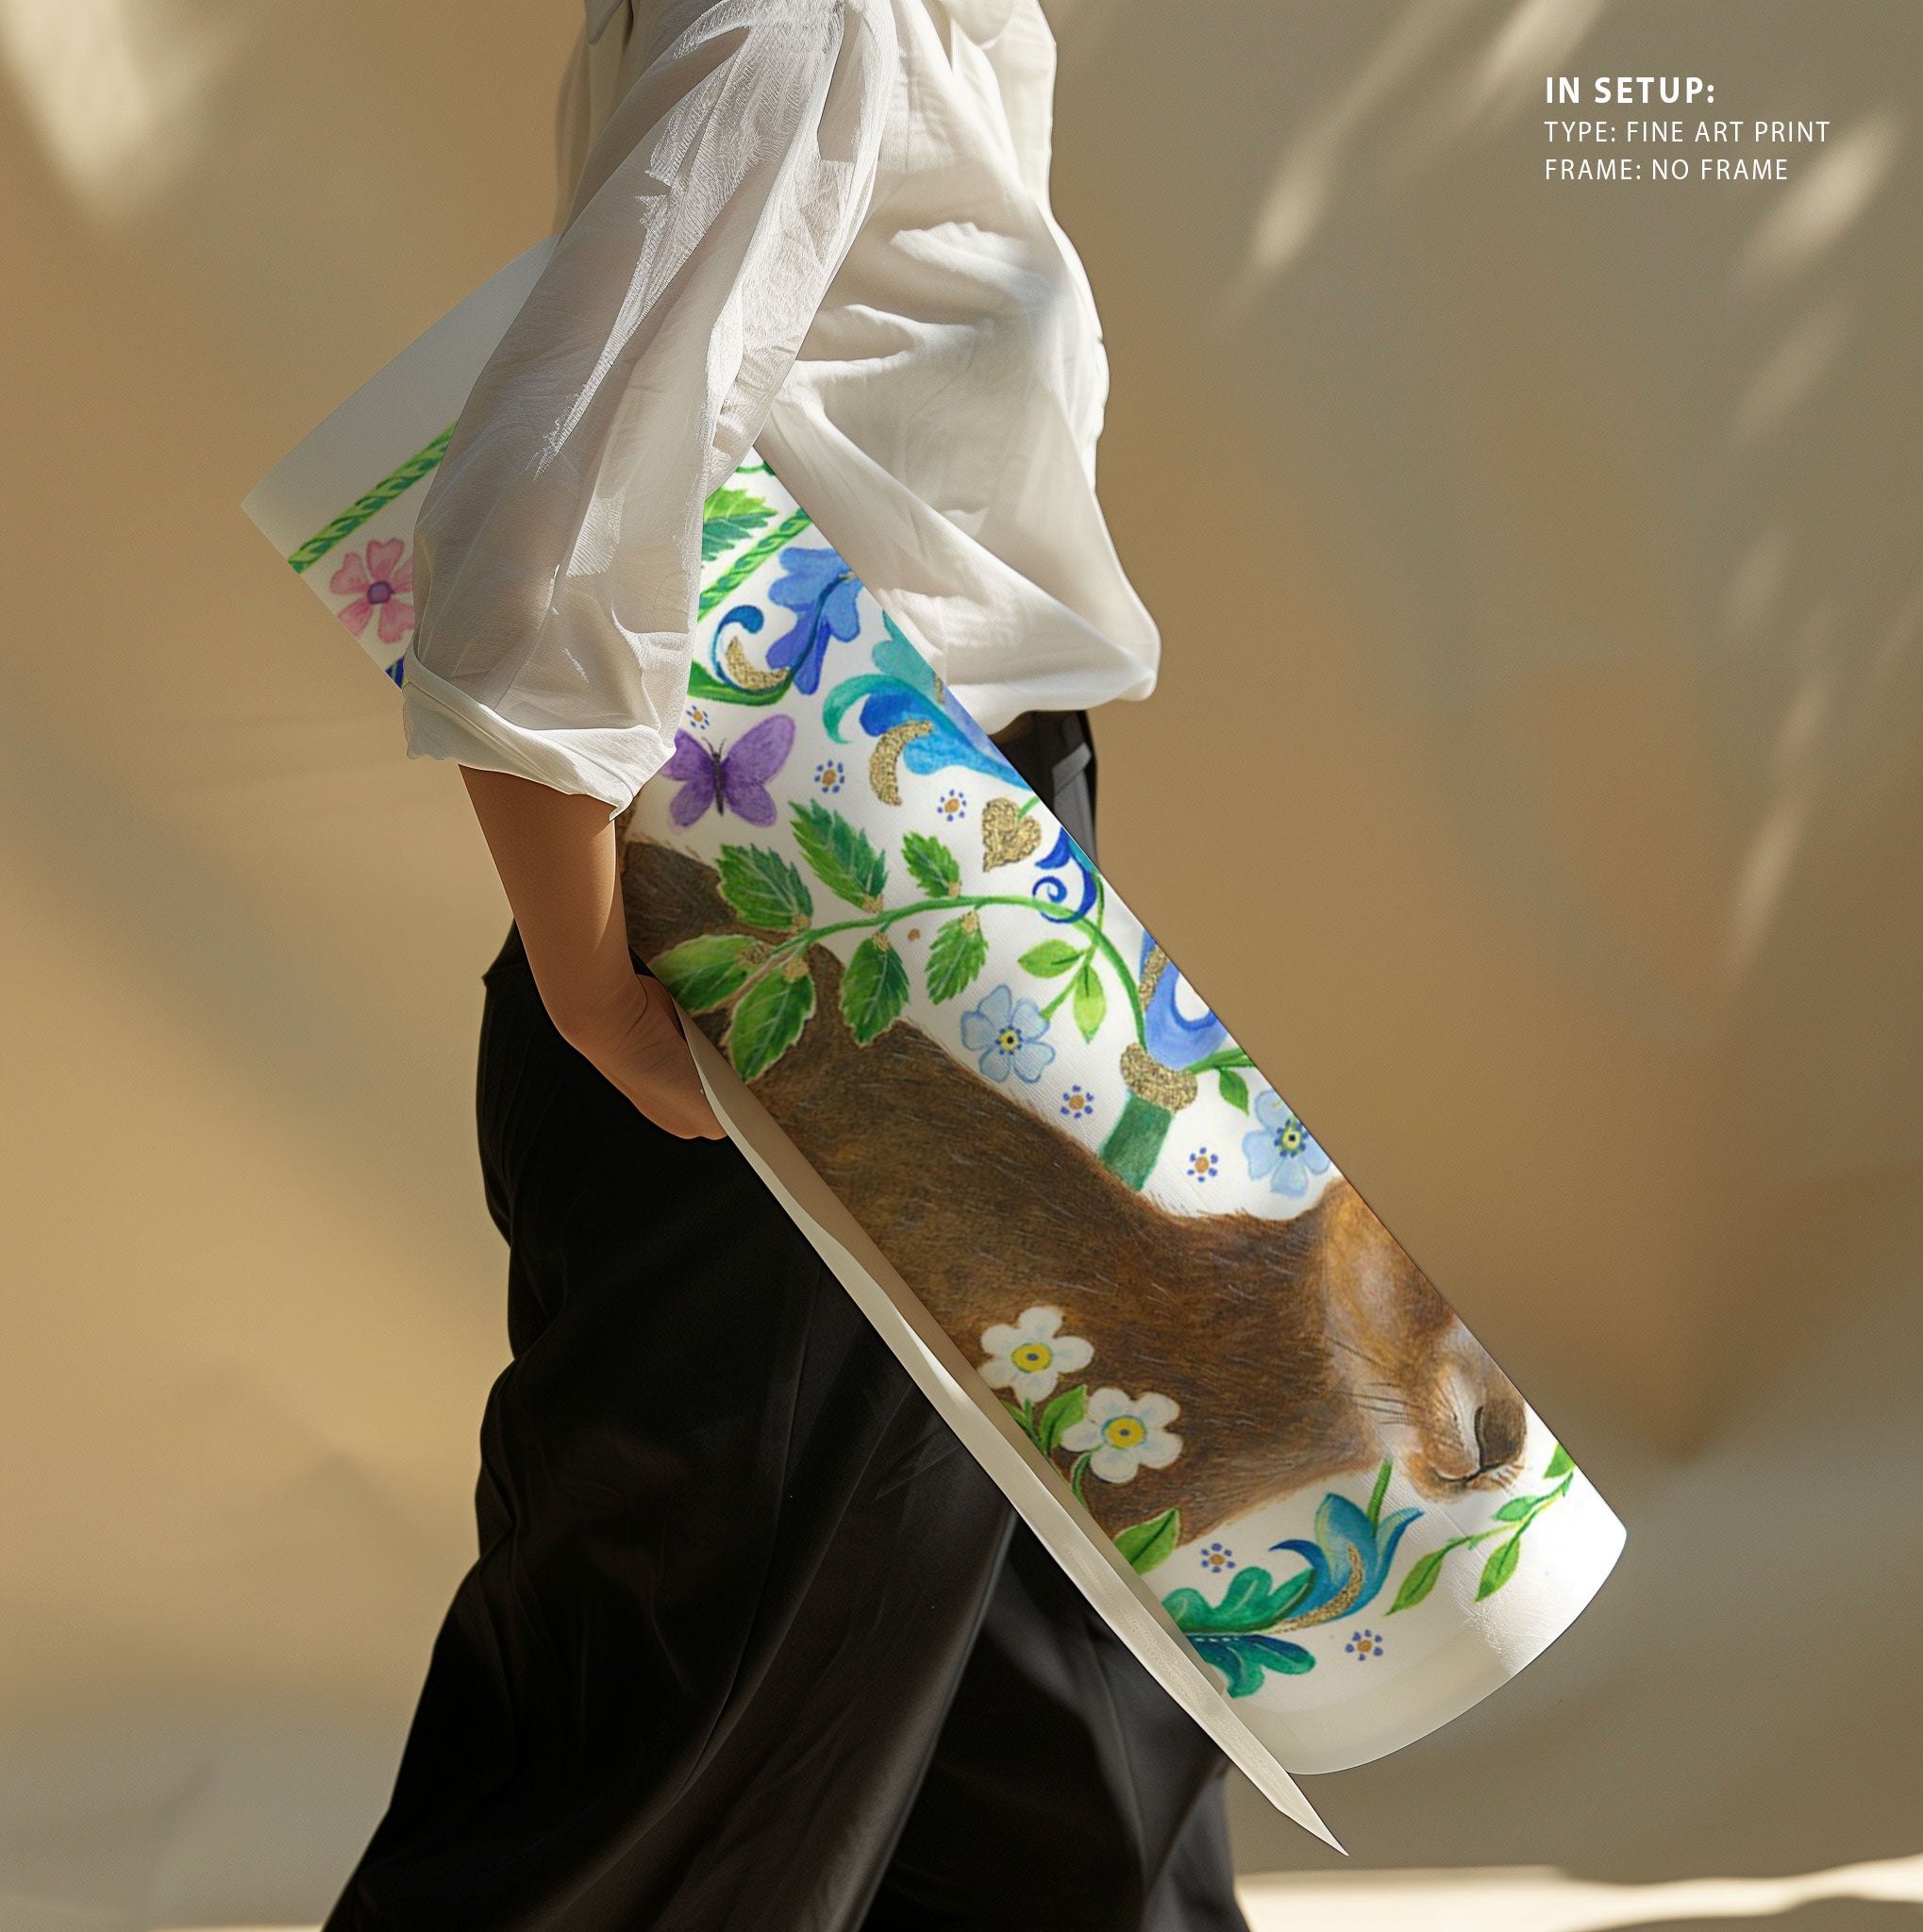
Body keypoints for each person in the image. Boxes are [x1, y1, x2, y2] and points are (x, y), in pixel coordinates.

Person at [323, 3, 1244, 1926]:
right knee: (657, 1750)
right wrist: (595, 990)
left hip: (977, 876)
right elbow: (549, 498)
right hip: (804, 915)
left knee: (1071, 1722)